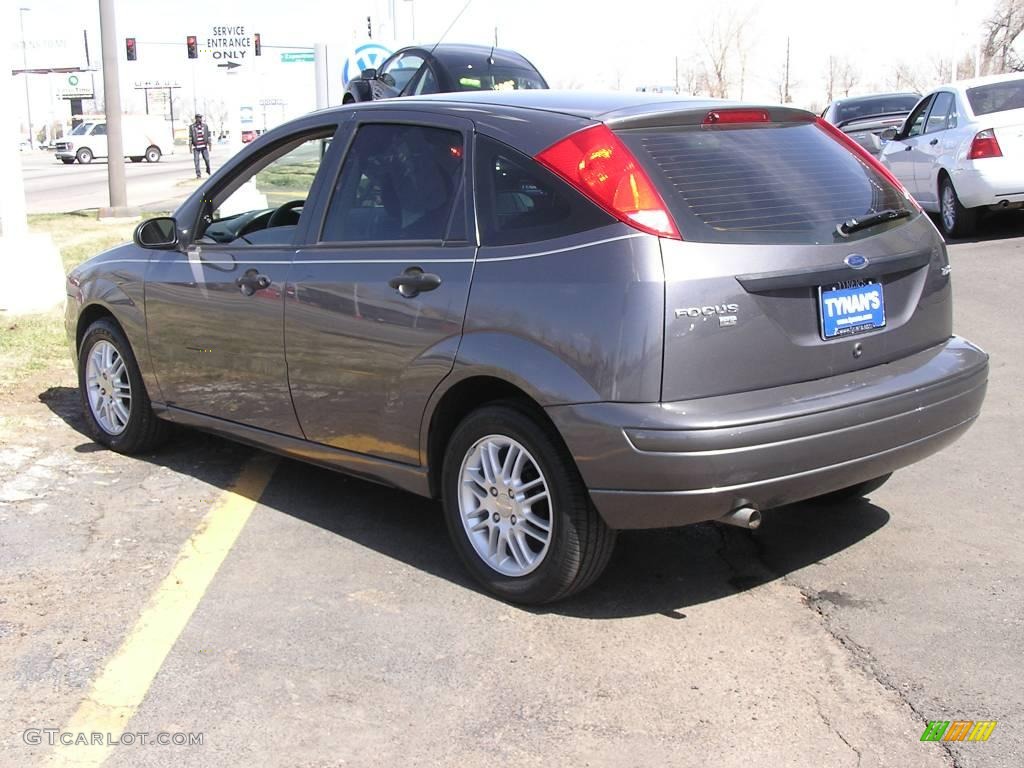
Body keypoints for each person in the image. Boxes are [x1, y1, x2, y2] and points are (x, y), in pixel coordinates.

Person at [188, 114, 211, 178]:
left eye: (201, 117)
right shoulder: (192, 127)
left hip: (204, 146)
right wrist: (190, 147)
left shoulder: (205, 126)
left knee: (207, 159)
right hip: (196, 147)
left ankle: (208, 170)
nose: (200, 119)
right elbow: (190, 137)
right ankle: (198, 174)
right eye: (199, 118)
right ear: (196, 118)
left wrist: (210, 145)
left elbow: (208, 135)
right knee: (196, 161)